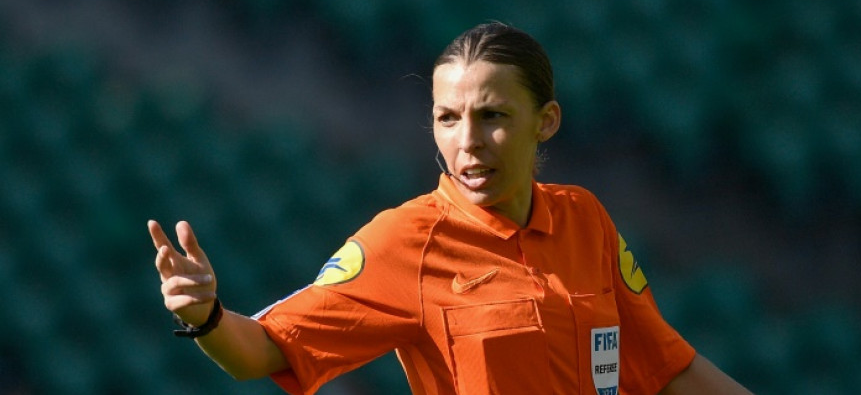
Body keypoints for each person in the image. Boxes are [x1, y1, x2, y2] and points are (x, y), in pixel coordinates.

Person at [148, 22, 752, 394]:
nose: (466, 142)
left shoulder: (584, 218)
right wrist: (205, 316)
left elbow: (666, 370)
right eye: (447, 118)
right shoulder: (406, 241)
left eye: (492, 117)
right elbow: (264, 350)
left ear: (547, 122)